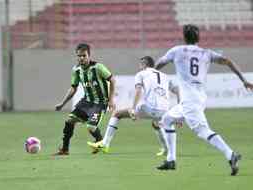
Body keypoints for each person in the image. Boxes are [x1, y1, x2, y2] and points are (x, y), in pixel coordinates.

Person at [155, 24, 253, 175]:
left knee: (202, 131)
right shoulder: (206, 53)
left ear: (184, 37)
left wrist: (150, 75)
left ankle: (230, 154)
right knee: (167, 119)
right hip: (199, 97)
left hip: (189, 99)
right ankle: (171, 160)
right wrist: (243, 80)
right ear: (198, 37)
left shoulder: (177, 50)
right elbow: (227, 61)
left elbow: (159, 64)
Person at [87, 56, 180, 155]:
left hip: (148, 108)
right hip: (164, 111)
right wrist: (178, 111)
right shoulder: (165, 76)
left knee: (117, 114)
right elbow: (178, 91)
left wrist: (133, 108)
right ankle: (166, 149)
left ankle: (105, 144)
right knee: (156, 123)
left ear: (144, 64)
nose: (139, 67)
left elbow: (138, 90)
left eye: (140, 65)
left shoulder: (141, 74)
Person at [54, 43, 116, 156]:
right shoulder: (76, 70)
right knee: (69, 121)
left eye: (84, 55)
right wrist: (62, 104)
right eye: (79, 56)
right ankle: (64, 149)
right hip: (86, 102)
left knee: (91, 126)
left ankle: (100, 142)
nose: (81, 58)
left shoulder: (98, 67)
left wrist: (111, 100)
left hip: (100, 103)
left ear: (89, 55)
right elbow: (73, 88)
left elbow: (112, 80)